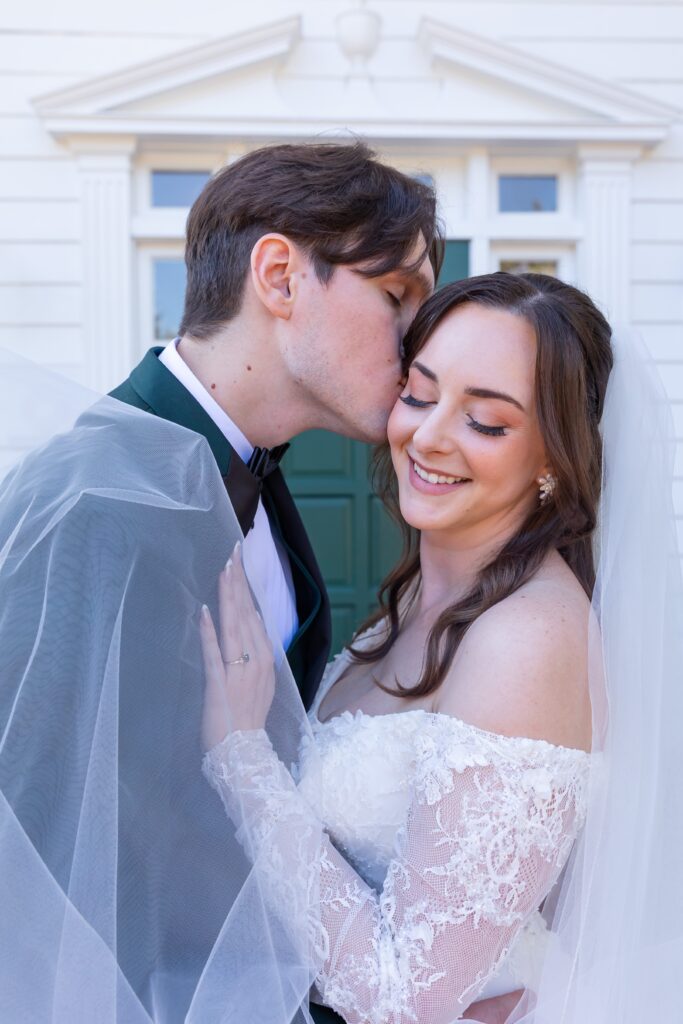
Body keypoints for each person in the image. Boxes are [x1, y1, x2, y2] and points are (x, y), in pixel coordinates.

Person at [198, 272, 683, 1022]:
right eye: (419, 395)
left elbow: (406, 1001)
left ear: (554, 456)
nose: (426, 437)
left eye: (485, 422)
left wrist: (240, 758)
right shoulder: (413, 600)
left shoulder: (526, 639)